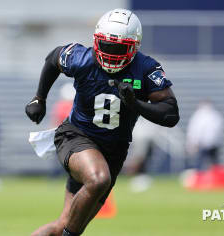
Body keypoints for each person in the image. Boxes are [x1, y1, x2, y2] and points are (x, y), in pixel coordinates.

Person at [25, 9, 180, 236]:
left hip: (113, 153)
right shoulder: (82, 58)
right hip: (76, 136)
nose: (111, 53)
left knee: (62, 226)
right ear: (97, 41)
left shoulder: (146, 69)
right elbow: (53, 58)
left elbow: (170, 114)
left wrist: (135, 104)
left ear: (134, 47)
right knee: (98, 179)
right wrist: (39, 97)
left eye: (119, 48)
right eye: (106, 45)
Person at [186, 100, 224, 170]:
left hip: (206, 143)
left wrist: (193, 142)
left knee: (202, 162)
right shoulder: (215, 115)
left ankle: (204, 176)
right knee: (208, 163)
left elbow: (195, 130)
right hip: (209, 143)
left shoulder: (199, 115)